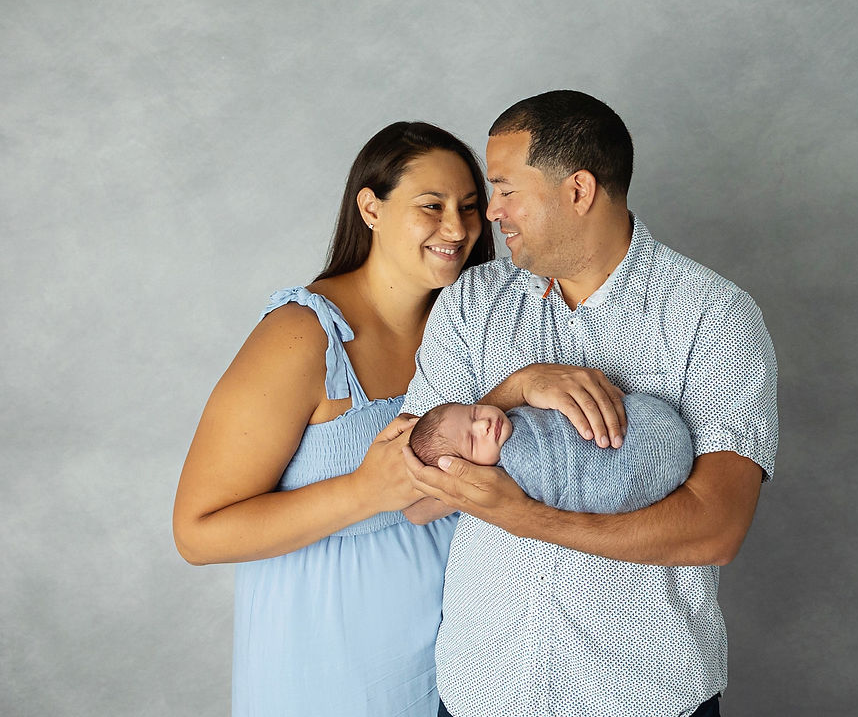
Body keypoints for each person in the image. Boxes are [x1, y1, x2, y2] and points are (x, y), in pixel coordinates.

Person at [401, 91, 779, 717]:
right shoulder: (472, 302)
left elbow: (716, 528)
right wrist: (514, 389)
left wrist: (525, 517)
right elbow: (413, 498)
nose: (489, 212)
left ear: (578, 190)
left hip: (643, 695)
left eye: (505, 189)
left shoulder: (714, 316)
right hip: (484, 690)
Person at [171, 121, 494, 717]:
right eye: (432, 206)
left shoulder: (476, 327)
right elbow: (197, 533)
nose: (457, 228)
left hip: (467, 659)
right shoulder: (302, 337)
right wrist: (364, 491)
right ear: (371, 209)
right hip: (330, 669)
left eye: (470, 207)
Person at [408, 395, 692, 514]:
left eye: (474, 412)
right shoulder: (514, 467)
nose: (483, 425)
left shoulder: (514, 418)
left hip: (644, 426)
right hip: (622, 472)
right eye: (472, 441)